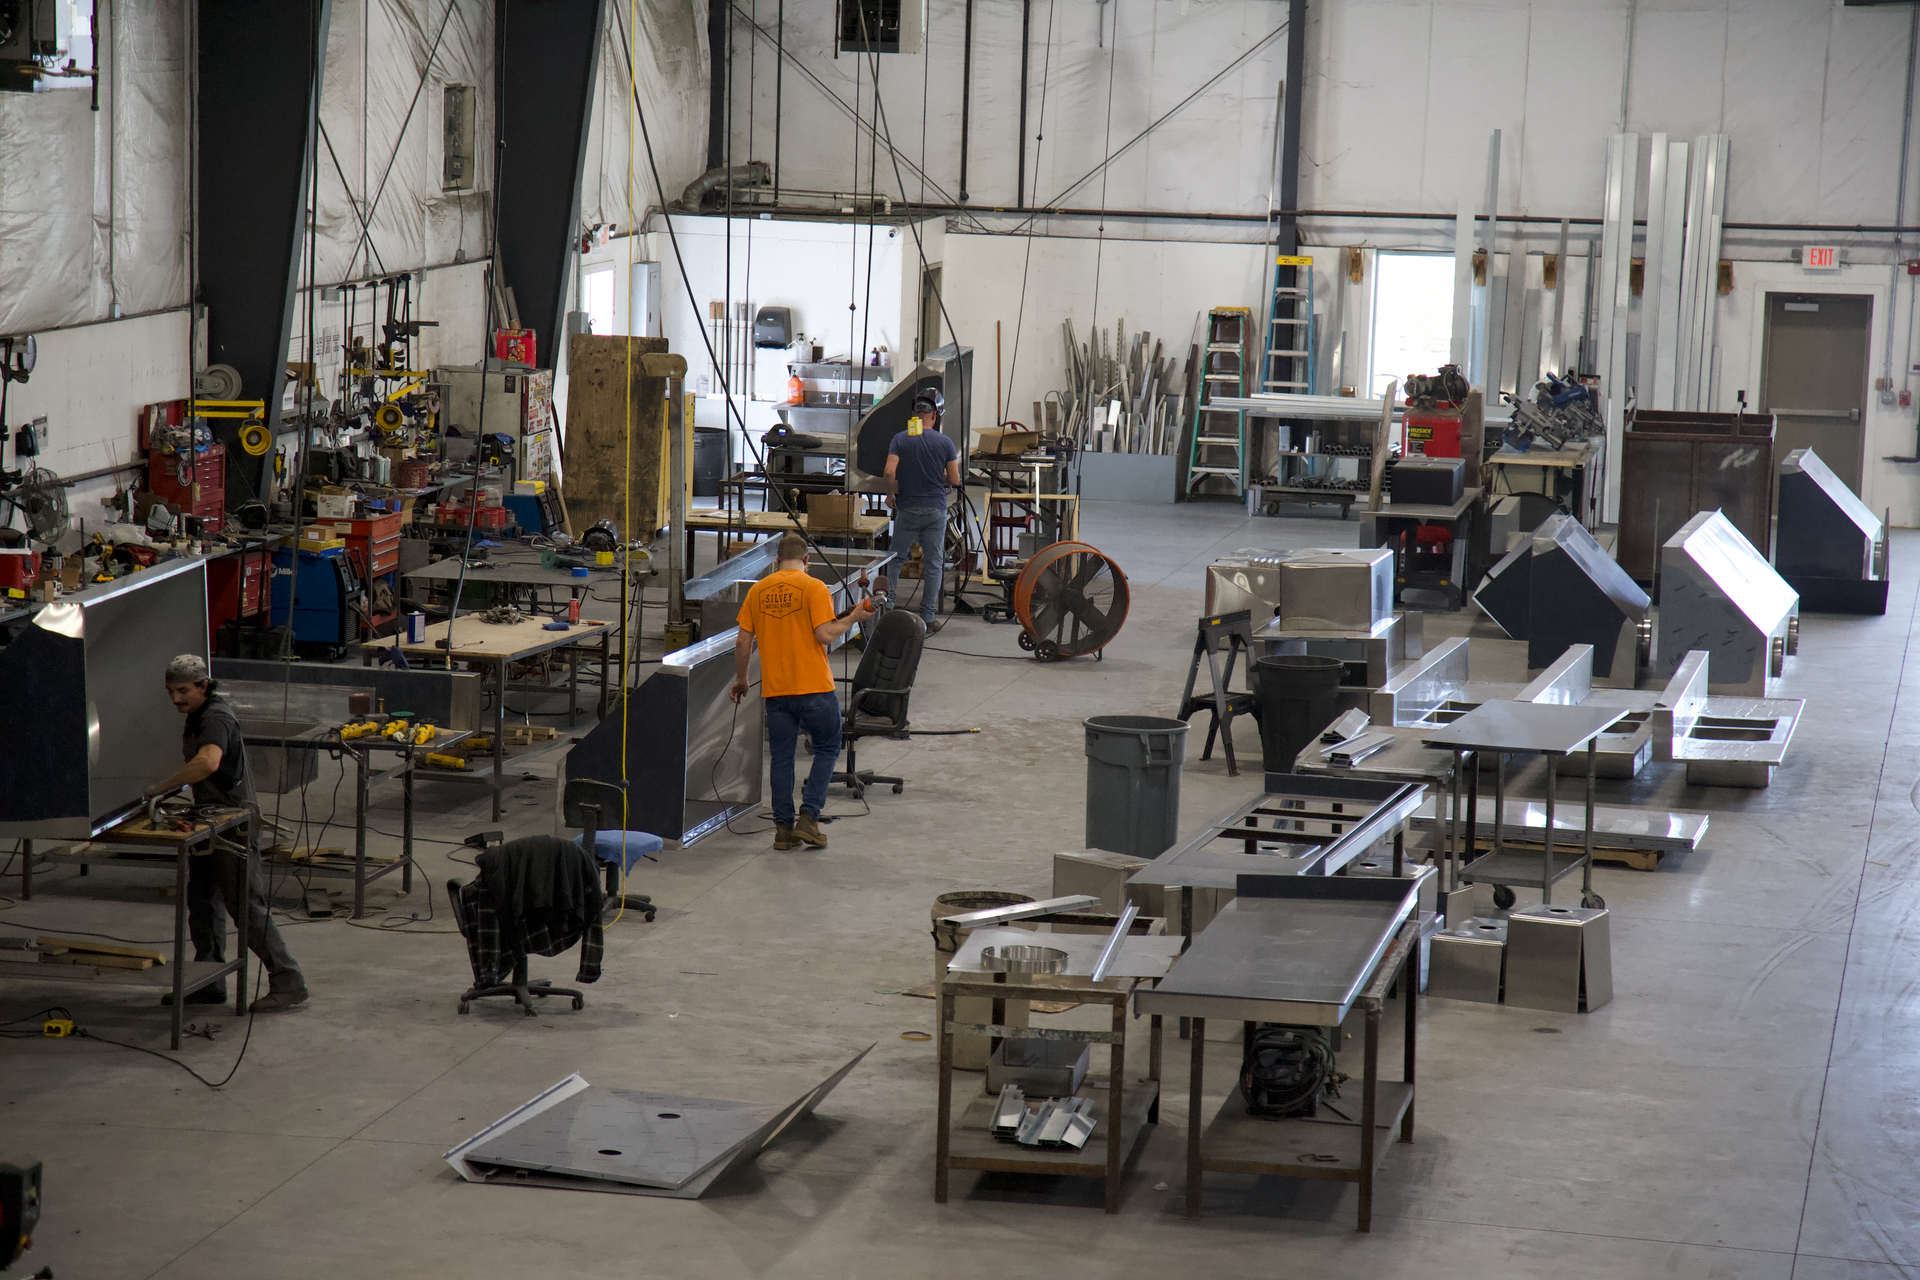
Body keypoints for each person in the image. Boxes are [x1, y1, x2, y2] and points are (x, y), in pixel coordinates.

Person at [144, 654, 308, 1012]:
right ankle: (208, 981)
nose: (176, 698)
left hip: (233, 825)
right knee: (202, 903)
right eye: (170, 691)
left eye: (183, 690)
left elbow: (208, 762)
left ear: (204, 685)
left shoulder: (216, 717)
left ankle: (289, 980)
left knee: (244, 907)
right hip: (209, 821)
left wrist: (162, 788)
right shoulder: (196, 715)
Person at [729, 534, 874, 850]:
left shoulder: (758, 591)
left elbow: (742, 641)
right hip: (814, 688)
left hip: (777, 691)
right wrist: (854, 617)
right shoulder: (814, 587)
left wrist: (742, 679)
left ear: (776, 562)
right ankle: (808, 819)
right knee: (828, 746)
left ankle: (783, 829)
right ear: (807, 561)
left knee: (781, 757)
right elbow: (825, 634)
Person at [884, 391, 962, 633]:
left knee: (895, 559)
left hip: (908, 507)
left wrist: (890, 494)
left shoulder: (900, 438)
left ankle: (887, 608)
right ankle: (928, 617)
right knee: (934, 563)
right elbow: (955, 480)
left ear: (914, 415)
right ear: (935, 416)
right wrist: (939, 474)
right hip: (935, 509)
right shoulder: (945, 442)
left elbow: (889, 472)